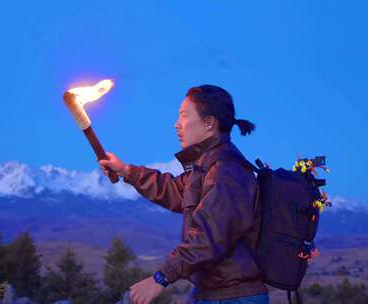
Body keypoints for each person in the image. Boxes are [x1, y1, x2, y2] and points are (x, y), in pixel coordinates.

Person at [99, 84, 269, 304]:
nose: (177, 124)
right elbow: (174, 190)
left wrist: (160, 278)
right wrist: (126, 171)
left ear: (209, 123)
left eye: (184, 116)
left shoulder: (226, 170)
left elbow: (208, 237)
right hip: (211, 294)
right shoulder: (208, 165)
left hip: (233, 297)